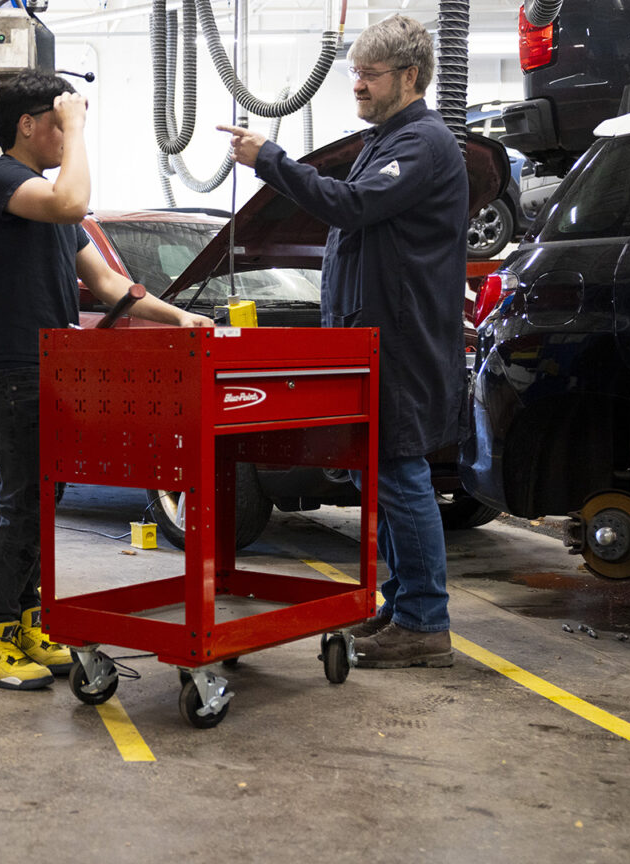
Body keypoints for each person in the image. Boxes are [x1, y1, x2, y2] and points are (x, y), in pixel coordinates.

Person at [218, 14, 466, 668]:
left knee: (399, 474)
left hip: (402, 343)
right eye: (354, 72)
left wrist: (270, 160)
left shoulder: (423, 143)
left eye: (369, 74)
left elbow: (351, 206)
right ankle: (402, 606)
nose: (357, 84)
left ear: (409, 77)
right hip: (370, 341)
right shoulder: (385, 142)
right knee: (377, 475)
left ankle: (425, 623)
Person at [0, 71, 214, 690]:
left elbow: (106, 283)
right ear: (28, 125)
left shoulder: (48, 202)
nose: (68, 136)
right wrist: (77, 128)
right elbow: (72, 202)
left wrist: (177, 317)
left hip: (52, 367)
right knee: (23, 504)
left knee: (41, 503)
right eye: (59, 124)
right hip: (15, 368)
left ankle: (24, 621)